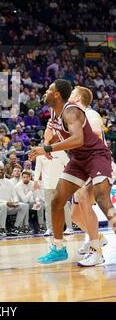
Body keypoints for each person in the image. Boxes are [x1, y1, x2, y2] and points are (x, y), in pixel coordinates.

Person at [29, 79, 114, 265]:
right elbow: (57, 137)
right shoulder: (54, 112)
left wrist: (48, 150)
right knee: (57, 200)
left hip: (95, 155)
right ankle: (59, 248)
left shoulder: (72, 111)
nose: (46, 92)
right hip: (78, 159)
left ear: (57, 94)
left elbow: (77, 140)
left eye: (49, 90)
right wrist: (46, 146)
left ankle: (96, 249)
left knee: (100, 199)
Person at [67, 86, 111, 264]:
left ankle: (96, 249)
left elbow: (94, 136)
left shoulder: (90, 114)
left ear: (77, 98)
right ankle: (97, 238)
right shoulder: (77, 116)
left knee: (84, 197)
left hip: (98, 163)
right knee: (74, 215)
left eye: (71, 93)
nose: (69, 95)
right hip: (86, 167)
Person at [34, 150, 73, 237]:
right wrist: (36, 180)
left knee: (65, 205)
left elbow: (69, 165)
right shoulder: (40, 154)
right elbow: (37, 168)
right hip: (47, 185)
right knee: (48, 207)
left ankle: (69, 227)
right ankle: (49, 228)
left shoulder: (61, 152)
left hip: (60, 183)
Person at [0, 166, 29, 237]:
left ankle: (15, 227)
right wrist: (6, 202)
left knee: (25, 206)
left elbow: (14, 195)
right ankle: (2, 229)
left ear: (4, 171)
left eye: (2, 170)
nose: (0, 171)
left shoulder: (9, 182)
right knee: (3, 206)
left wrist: (15, 202)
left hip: (10, 205)